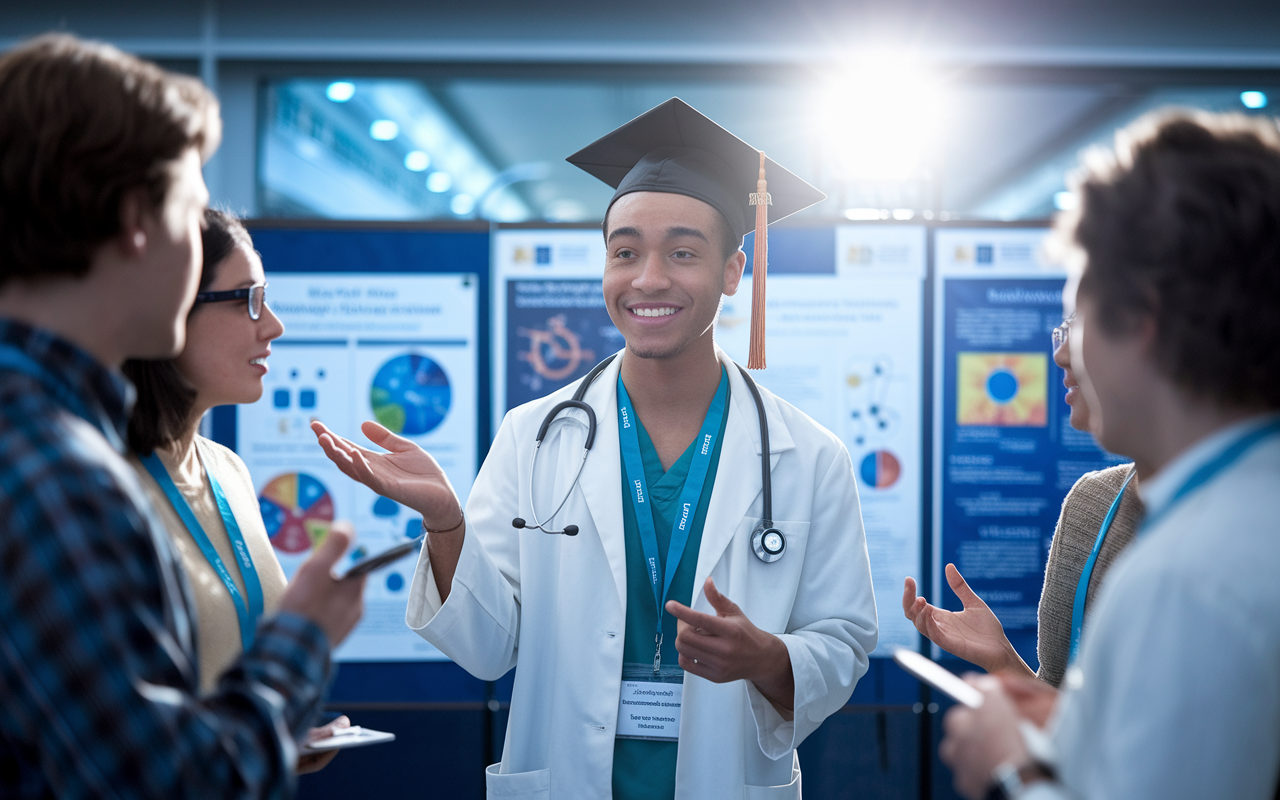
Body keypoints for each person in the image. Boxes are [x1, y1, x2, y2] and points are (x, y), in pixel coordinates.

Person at [312, 98, 878, 798]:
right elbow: (490, 647)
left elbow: (845, 641)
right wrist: (446, 524)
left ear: (734, 272)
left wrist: (769, 657)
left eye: (682, 252)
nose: (647, 279)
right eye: (625, 252)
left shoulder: (809, 456)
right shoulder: (533, 435)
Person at [0, 35, 366, 798]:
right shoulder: (55, 471)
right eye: (187, 207)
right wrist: (302, 642)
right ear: (139, 218)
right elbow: (172, 782)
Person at [938, 110, 1280, 800]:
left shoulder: (1188, 579)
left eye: (1077, 319)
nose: (1063, 350)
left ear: (1142, 320)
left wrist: (1011, 771)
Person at [122, 208, 351, 773]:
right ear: (169, 309)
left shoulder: (228, 471)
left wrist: (275, 737)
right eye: (248, 299)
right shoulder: (104, 487)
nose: (272, 325)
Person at [902, 317, 1143, 688]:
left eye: (1080, 326)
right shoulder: (1092, 502)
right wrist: (1003, 660)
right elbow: (1057, 705)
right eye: (1063, 330)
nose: (1061, 355)